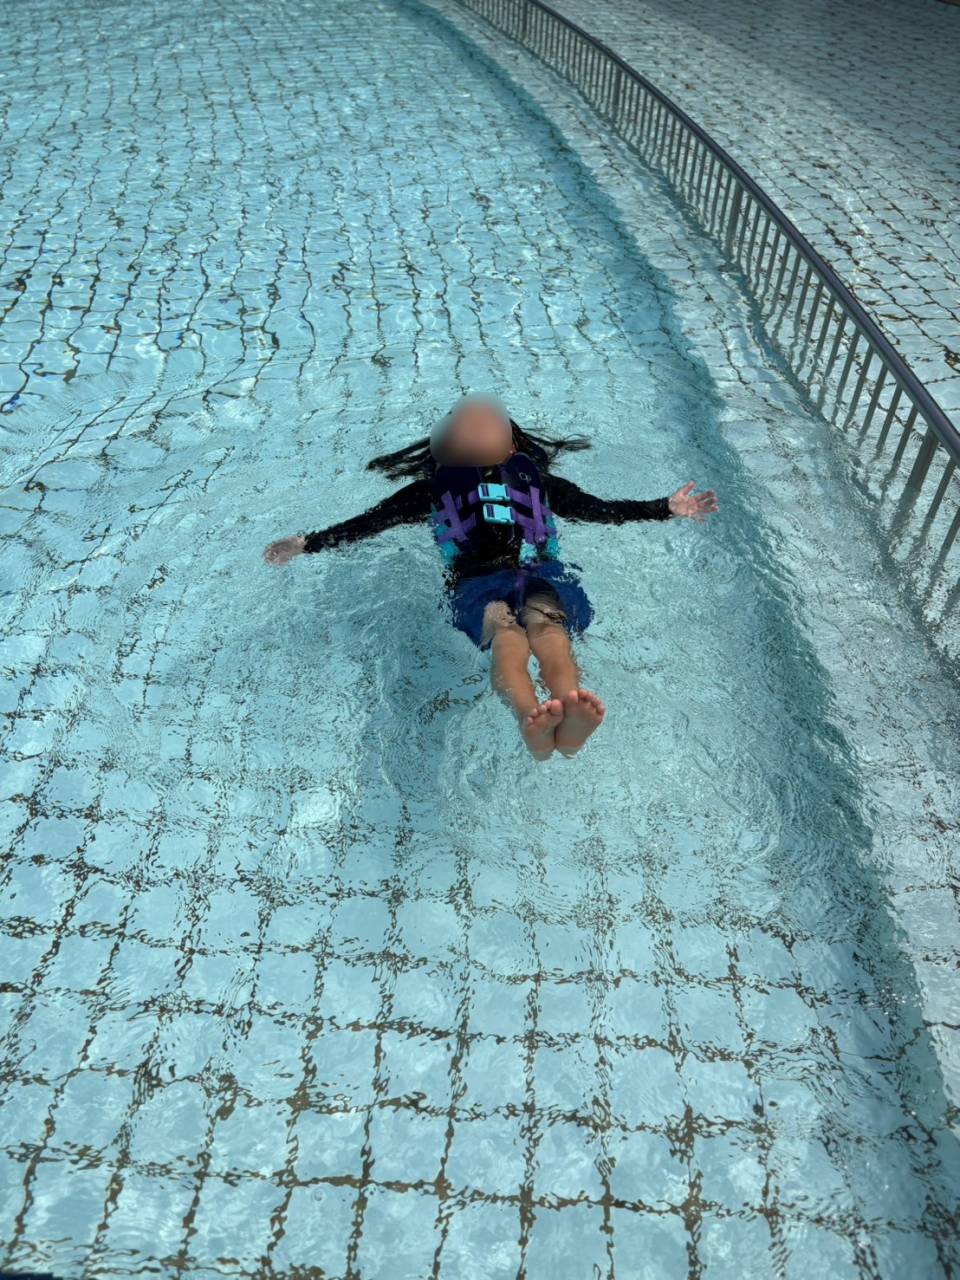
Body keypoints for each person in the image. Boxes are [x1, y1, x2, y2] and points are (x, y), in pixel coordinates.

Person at [263, 393, 718, 761]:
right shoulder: (427, 492)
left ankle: (569, 706)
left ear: (513, 446)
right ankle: (529, 717)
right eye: (463, 420)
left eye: (489, 419)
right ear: (442, 446)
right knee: (507, 633)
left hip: (544, 575)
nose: (477, 422)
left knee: (547, 626)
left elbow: (599, 510)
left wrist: (663, 508)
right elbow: (368, 523)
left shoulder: (540, 484)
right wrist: (308, 543)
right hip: (475, 586)